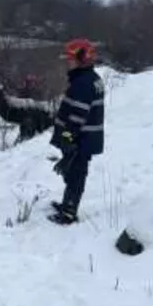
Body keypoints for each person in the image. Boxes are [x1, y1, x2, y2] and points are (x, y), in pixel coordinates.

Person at [47, 38, 105, 225]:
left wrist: (67, 138)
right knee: (72, 172)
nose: (67, 62)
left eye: (70, 59)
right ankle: (67, 204)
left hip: (81, 139)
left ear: (82, 59)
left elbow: (77, 116)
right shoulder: (89, 79)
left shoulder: (83, 83)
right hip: (83, 138)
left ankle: (69, 213)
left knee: (76, 174)